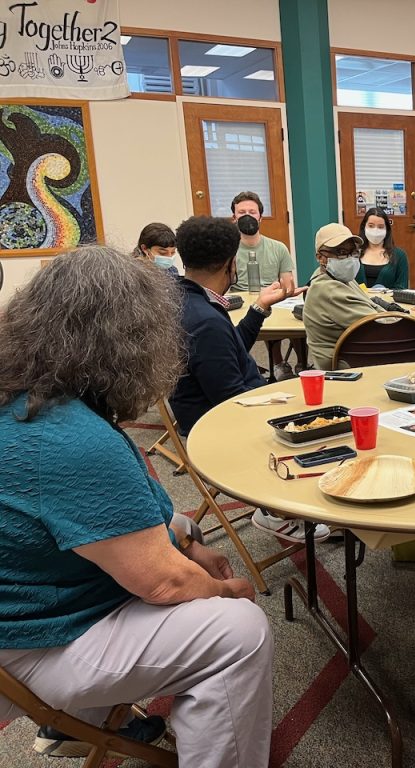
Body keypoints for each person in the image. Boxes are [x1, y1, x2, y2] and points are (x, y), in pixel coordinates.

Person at [0, 246, 274, 767]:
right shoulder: (71, 436)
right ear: (133, 342)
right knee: (239, 632)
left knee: (181, 527)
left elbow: (101, 514)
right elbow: (162, 583)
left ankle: (88, 724)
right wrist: (225, 591)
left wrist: (185, 540)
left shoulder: (27, 397)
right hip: (37, 642)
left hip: (31, 608)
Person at [171, 216, 331, 543]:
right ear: (232, 263)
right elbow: (232, 402)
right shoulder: (205, 321)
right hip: (217, 426)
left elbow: (227, 356)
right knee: (323, 415)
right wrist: (284, 397)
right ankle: (276, 511)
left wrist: (258, 308)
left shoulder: (186, 301)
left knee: (309, 400)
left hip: (204, 412)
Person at [304, 223, 385, 370]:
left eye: (353, 252)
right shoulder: (328, 290)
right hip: (345, 370)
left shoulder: (342, 279)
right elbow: (381, 325)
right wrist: (400, 317)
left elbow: (372, 308)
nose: (349, 259)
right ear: (321, 257)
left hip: (361, 358)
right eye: (341, 252)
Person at [230, 191, 296, 295]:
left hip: (272, 301)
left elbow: (287, 289)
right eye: (242, 212)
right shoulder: (227, 250)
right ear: (234, 218)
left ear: (260, 218)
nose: (247, 216)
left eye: (252, 212)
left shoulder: (279, 248)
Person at [356, 207, 410, 290]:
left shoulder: (399, 255)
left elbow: (402, 287)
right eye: (371, 226)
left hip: (389, 302)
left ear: (387, 230)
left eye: (380, 227)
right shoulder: (353, 253)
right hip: (359, 302)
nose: (375, 230)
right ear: (364, 227)